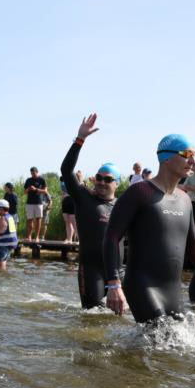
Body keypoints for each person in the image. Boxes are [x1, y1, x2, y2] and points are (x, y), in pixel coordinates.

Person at [103, 134, 195, 323]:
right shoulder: (139, 192)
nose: (193, 160)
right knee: (161, 338)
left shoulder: (184, 200)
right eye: (187, 154)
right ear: (165, 157)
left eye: (194, 155)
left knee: (176, 347)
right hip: (142, 286)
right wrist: (113, 284)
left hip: (173, 291)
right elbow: (111, 237)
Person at [60, 114, 121, 308]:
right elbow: (66, 171)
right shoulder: (84, 197)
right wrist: (80, 139)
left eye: (108, 179)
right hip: (91, 269)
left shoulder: (123, 205)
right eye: (99, 177)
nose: (102, 182)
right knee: (93, 316)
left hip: (117, 271)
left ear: (117, 184)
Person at [24, 166, 48, 242]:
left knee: (38, 220)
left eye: (34, 173)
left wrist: (36, 189)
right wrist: (28, 189)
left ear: (37, 172)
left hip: (38, 202)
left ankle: (37, 237)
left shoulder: (41, 180)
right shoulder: (28, 180)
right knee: (29, 220)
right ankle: (29, 236)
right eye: (31, 173)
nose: (33, 174)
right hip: (29, 203)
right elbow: (24, 192)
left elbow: (45, 191)